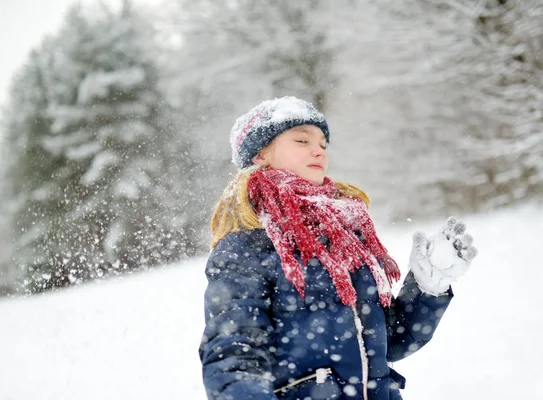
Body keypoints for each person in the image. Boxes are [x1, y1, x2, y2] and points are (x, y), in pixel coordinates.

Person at [199, 96, 477, 400]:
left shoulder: (345, 237)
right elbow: (233, 359)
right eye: (302, 140)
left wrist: (427, 288)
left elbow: (390, 343)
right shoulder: (245, 249)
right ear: (261, 154)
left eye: (322, 144)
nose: (318, 149)